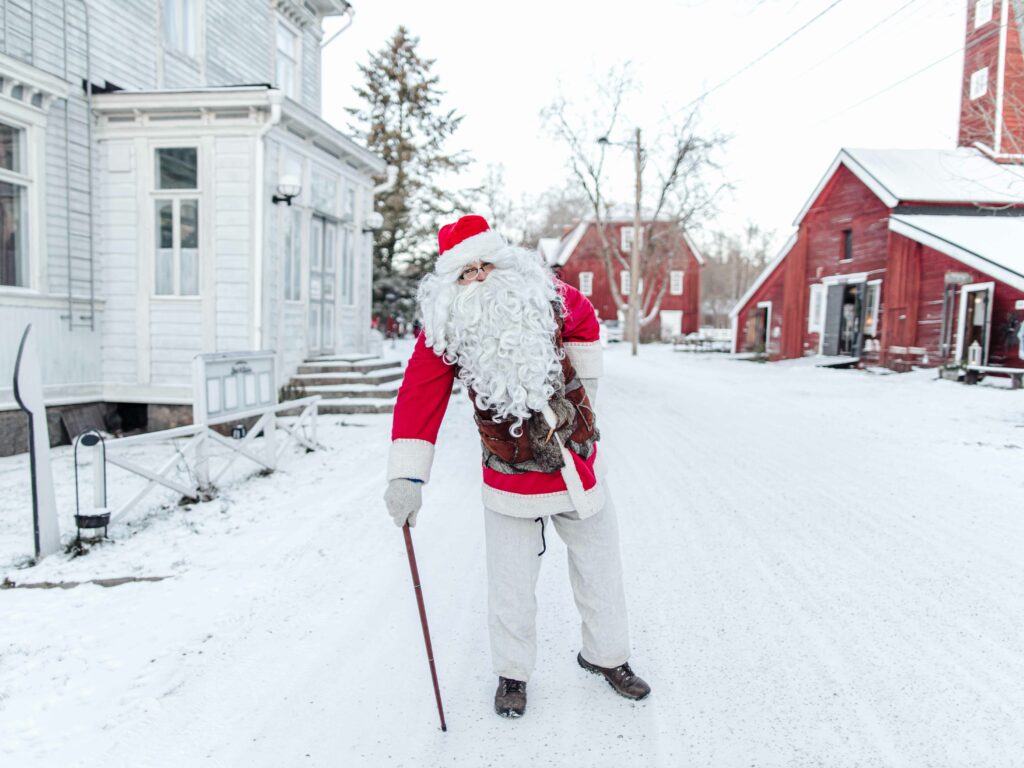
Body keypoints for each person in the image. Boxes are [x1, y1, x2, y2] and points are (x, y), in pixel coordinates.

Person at [383, 215, 650, 718]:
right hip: (509, 476)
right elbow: (419, 395)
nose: (480, 279)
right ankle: (512, 674)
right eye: (466, 273)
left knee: (599, 567)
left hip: (576, 464)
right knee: (509, 580)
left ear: (504, 263)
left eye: (486, 266)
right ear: (452, 286)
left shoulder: (549, 297)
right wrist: (407, 475)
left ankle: (607, 656)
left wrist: (585, 397)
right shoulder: (448, 327)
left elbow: (586, 322)